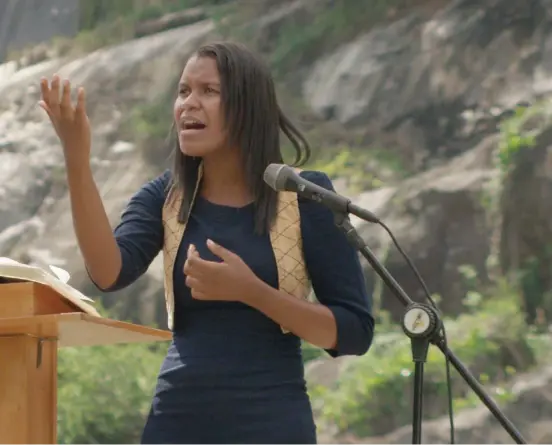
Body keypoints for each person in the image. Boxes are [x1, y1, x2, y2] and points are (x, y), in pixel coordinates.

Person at [39, 41, 374, 444]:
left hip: (272, 424)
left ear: (248, 106)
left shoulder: (305, 196)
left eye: (208, 91)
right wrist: (77, 157)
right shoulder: (166, 196)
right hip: (177, 422)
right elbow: (107, 272)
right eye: (182, 91)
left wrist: (251, 292)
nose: (188, 104)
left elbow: (353, 332)